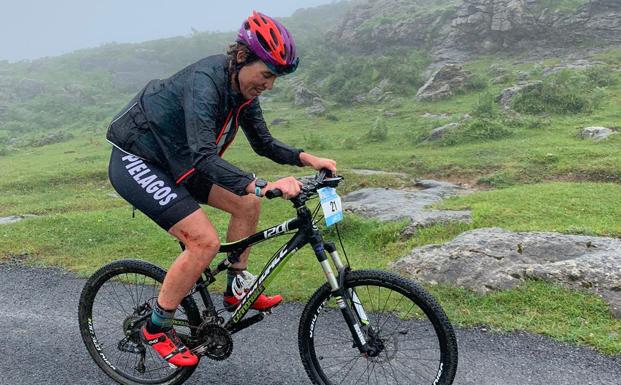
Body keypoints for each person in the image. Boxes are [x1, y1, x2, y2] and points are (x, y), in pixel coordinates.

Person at [106, 11, 336, 367]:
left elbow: (263, 143)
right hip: (139, 160)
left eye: (275, 79)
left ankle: (235, 288)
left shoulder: (240, 91)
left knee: (246, 205)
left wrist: (308, 158)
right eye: (266, 75)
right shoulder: (206, 81)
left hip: (177, 162)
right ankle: (156, 326)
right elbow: (203, 155)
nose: (269, 85)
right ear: (242, 58)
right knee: (204, 241)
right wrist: (261, 185)